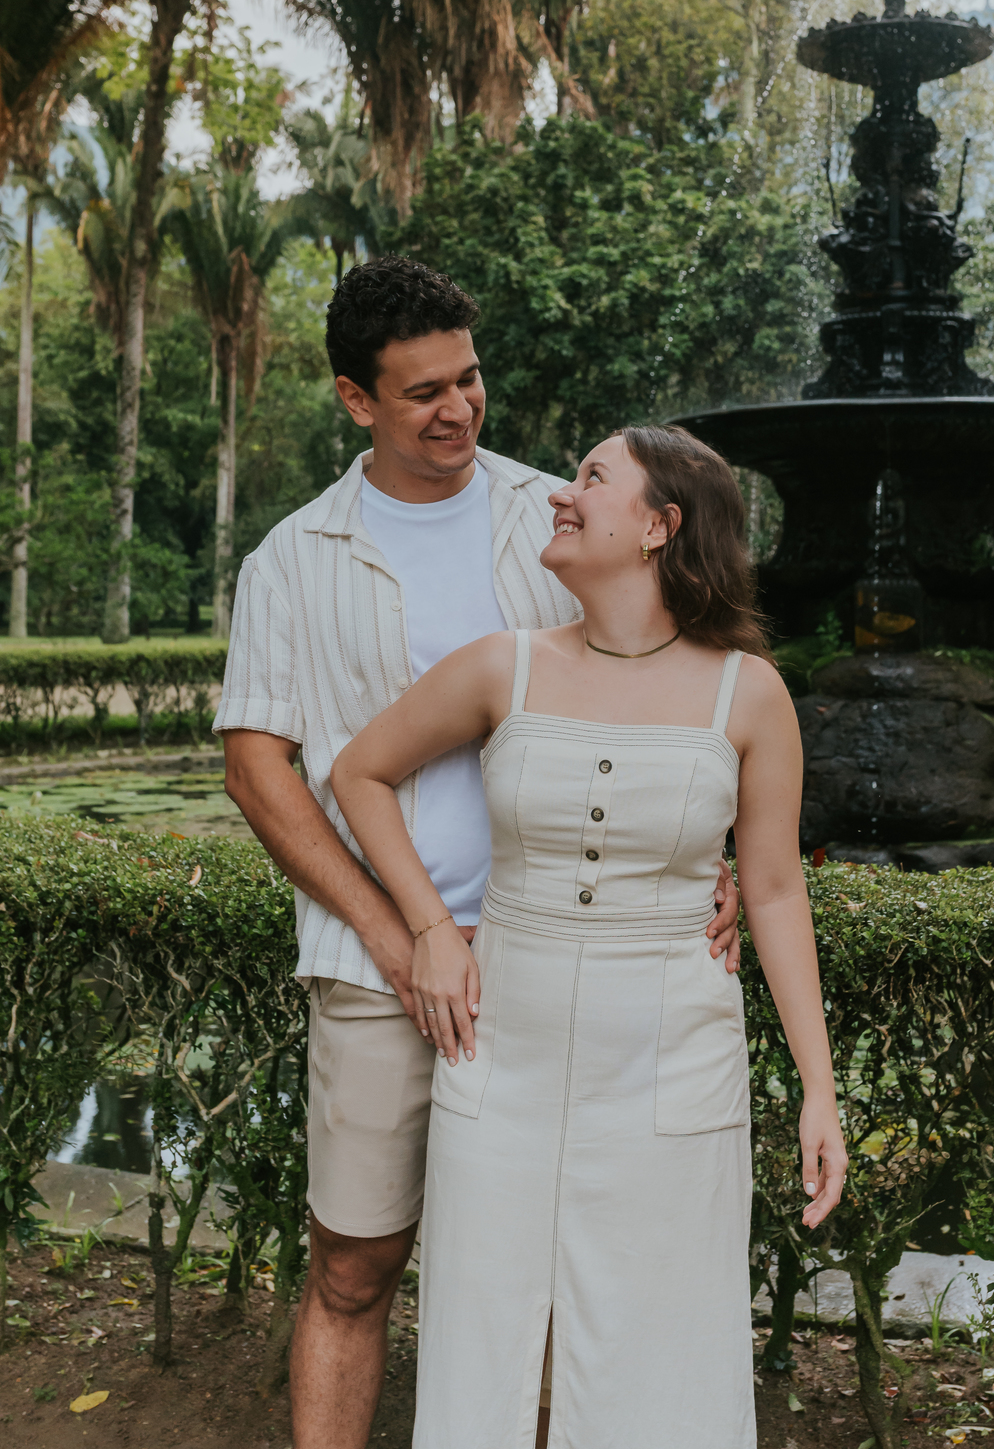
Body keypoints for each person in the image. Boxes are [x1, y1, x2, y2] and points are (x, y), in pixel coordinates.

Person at [214, 258, 741, 1449]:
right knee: (354, 1268)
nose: (457, 411)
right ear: (357, 401)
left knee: (556, 1281)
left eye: (471, 380)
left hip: (558, 966)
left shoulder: (549, 511)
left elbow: (679, 676)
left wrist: (705, 852)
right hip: (373, 969)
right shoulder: (291, 562)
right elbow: (261, 771)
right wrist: (405, 941)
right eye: (421, 395)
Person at [331, 423, 848, 1449]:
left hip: (671, 1067)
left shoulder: (749, 694)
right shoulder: (503, 669)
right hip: (500, 1066)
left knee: (666, 1354)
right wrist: (431, 925)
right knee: (478, 1348)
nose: (563, 496)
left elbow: (777, 890)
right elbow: (358, 774)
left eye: (593, 479)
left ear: (661, 526)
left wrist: (819, 1090)